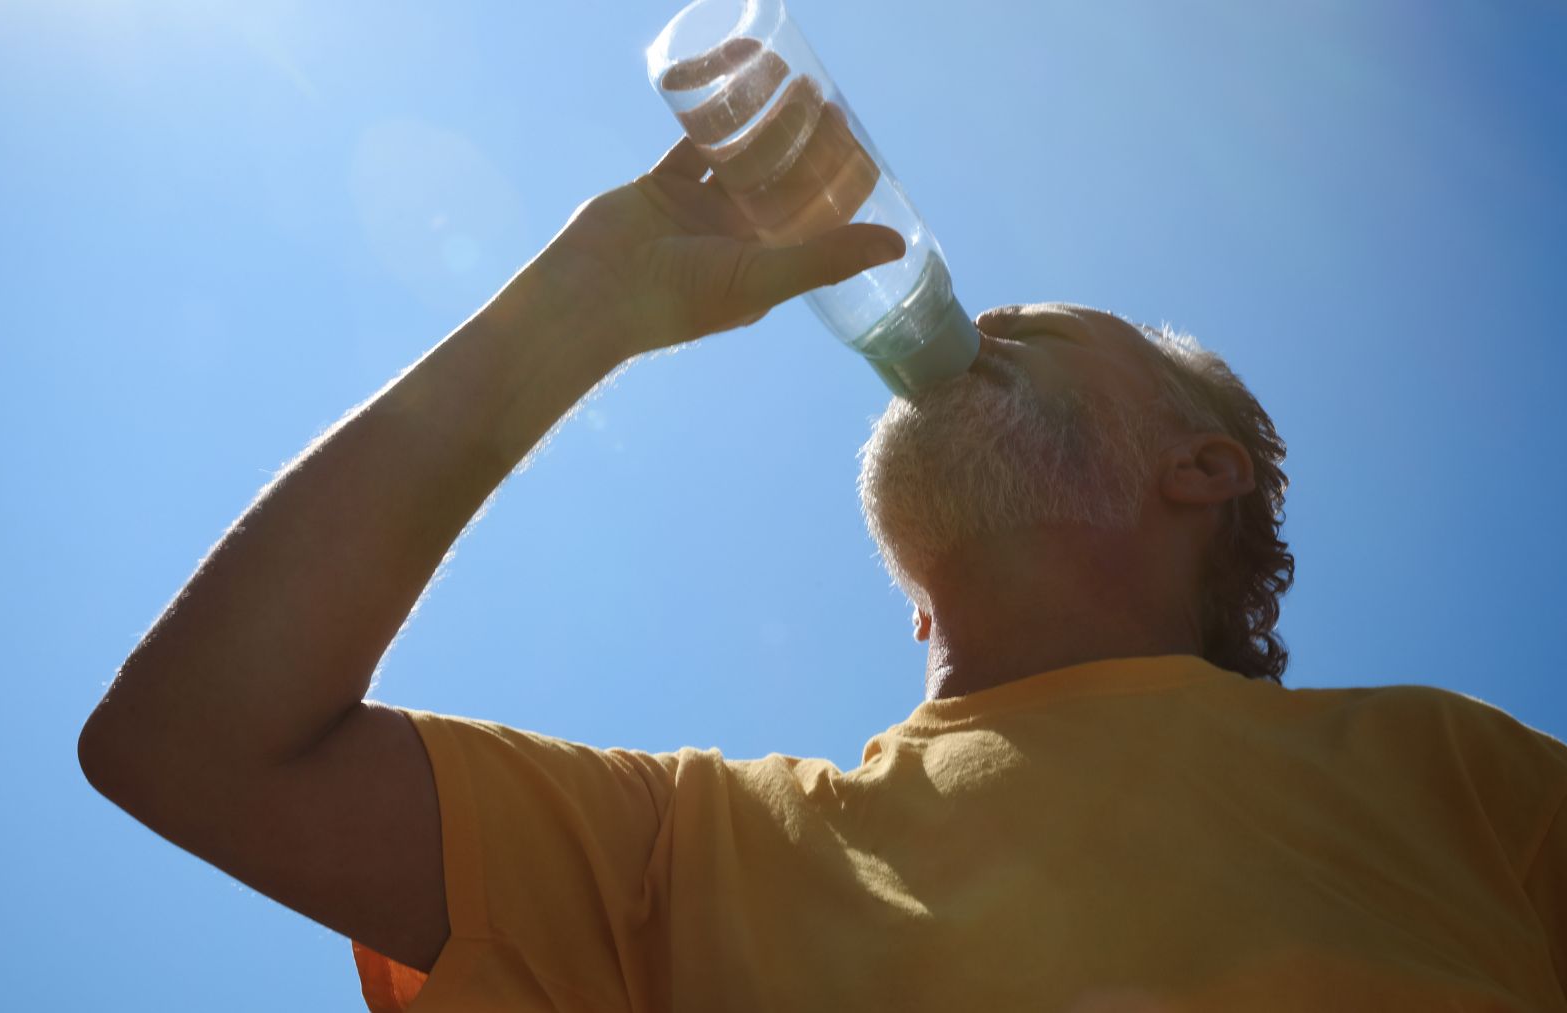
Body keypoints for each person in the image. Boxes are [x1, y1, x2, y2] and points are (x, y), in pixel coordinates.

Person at [78, 138, 1567, 1011]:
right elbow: (194, 747)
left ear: (1199, 468)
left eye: (1035, 330)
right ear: (917, 601)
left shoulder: (1450, 767)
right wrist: (581, 307)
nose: (975, 324)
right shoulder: (690, 850)